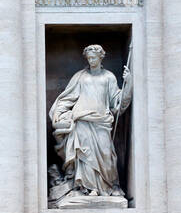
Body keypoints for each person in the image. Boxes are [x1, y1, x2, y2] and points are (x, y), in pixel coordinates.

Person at [49, 43, 131, 200]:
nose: (91, 61)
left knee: (106, 154)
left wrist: (129, 84)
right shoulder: (81, 77)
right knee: (85, 155)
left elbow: (118, 103)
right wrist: (59, 112)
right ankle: (88, 188)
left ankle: (107, 186)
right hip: (82, 119)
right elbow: (68, 97)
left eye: (94, 58)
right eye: (89, 58)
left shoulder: (109, 77)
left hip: (102, 121)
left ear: (101, 58)